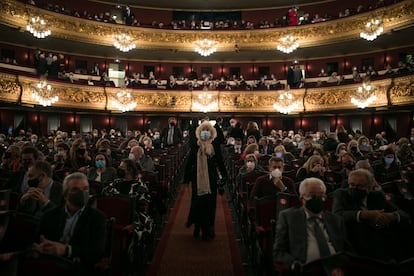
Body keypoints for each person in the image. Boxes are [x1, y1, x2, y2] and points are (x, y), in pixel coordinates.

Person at [332, 169, 411, 261]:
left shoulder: (377, 196)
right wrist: (365, 214)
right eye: (352, 185)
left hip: (381, 235)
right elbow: (337, 214)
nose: (354, 188)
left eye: (360, 186)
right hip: (356, 237)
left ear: (369, 187)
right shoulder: (341, 194)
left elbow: (403, 214)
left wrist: (390, 216)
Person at [34, 172, 106, 272]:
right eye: (75, 189)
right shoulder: (50, 215)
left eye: (85, 189)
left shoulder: (97, 218)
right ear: (65, 194)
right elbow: (37, 240)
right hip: (48, 263)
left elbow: (97, 252)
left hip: (78, 267)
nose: (82, 193)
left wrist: (66, 250)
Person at [273, 177, 349, 269]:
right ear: (302, 198)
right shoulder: (288, 217)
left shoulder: (335, 219)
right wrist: (294, 264)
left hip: (336, 269)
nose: (317, 199)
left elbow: (346, 249)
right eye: (312, 195)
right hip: (305, 269)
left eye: (321, 196)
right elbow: (278, 252)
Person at [184, 120, 227, 240]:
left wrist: (224, 176)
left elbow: (220, 162)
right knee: (198, 203)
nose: (205, 133)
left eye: (208, 131)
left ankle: (208, 228)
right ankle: (198, 225)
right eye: (203, 130)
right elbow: (189, 163)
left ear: (212, 133)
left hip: (211, 179)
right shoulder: (195, 146)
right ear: (199, 132)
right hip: (197, 178)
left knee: (210, 205)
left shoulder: (215, 146)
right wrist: (186, 180)